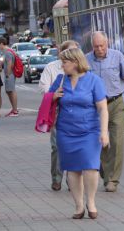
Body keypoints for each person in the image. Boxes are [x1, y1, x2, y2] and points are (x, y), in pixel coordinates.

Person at [50, 48, 109, 219]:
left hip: (90, 132)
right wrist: (54, 96)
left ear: (75, 62)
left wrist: (104, 132)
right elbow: (47, 100)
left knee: (91, 167)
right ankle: (78, 205)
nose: (62, 66)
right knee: (72, 169)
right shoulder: (61, 80)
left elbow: (103, 108)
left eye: (65, 63)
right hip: (65, 131)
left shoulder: (94, 81)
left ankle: (91, 202)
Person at [86, 31, 124, 192]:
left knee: (116, 142)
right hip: (95, 107)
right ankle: (104, 169)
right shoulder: (87, 60)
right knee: (100, 141)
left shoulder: (117, 56)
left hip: (115, 103)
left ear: (107, 44)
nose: (99, 49)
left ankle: (112, 179)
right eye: (96, 46)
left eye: (102, 45)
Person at [40, 40, 79, 191]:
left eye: (76, 51)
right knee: (57, 147)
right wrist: (53, 94)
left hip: (74, 114)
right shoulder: (52, 68)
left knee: (73, 146)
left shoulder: (82, 70)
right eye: (70, 52)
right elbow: (43, 86)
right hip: (57, 112)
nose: (74, 55)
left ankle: (72, 179)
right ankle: (57, 178)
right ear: (62, 53)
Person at [0, 39, 18, 117]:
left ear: (2, 43)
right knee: (9, 91)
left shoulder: (8, 52)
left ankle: (15, 110)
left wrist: (8, 74)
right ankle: (14, 109)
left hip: (10, 74)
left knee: (11, 91)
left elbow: (10, 64)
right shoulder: (8, 51)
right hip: (9, 74)